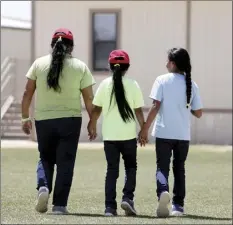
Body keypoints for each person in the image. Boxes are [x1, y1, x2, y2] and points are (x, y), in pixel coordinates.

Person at [21, 28, 95, 214]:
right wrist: (92, 122)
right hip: (70, 121)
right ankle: (60, 206)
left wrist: (25, 117)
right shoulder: (80, 66)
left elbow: (27, 93)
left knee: (45, 157)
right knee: (65, 162)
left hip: (44, 120)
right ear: (71, 46)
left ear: (52, 44)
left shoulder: (38, 64)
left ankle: (43, 187)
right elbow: (89, 100)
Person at [139, 48, 203, 218]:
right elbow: (198, 113)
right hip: (183, 135)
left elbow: (155, 106)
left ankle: (162, 192)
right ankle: (178, 206)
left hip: (163, 133)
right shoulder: (192, 84)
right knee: (179, 169)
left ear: (173, 64)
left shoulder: (161, 80)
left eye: (167, 61)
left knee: (162, 167)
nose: (165, 64)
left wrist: (144, 128)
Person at [87, 50, 145, 216]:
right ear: (127, 67)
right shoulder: (133, 84)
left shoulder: (104, 84)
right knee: (131, 168)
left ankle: (109, 208)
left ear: (111, 66)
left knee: (112, 170)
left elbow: (96, 109)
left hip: (110, 137)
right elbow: (138, 111)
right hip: (128, 137)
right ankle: (127, 198)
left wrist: (92, 125)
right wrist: (144, 129)